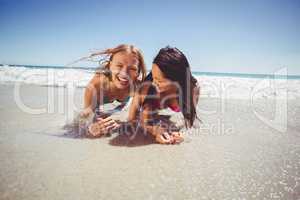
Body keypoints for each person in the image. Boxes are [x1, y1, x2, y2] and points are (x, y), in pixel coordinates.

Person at [128, 46, 200, 144]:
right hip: (151, 103)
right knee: (147, 113)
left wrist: (180, 132)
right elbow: (131, 119)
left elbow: (189, 119)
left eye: (159, 80)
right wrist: (152, 130)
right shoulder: (147, 86)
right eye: (153, 77)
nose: (154, 83)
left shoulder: (192, 89)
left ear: (177, 80)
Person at [80, 44, 146, 137]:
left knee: (122, 110)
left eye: (132, 68)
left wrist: (122, 124)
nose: (124, 73)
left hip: (124, 102)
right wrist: (90, 127)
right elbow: (85, 116)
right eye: (119, 65)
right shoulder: (96, 85)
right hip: (100, 101)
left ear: (138, 72)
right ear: (110, 65)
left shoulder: (138, 86)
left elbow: (139, 117)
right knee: (94, 115)